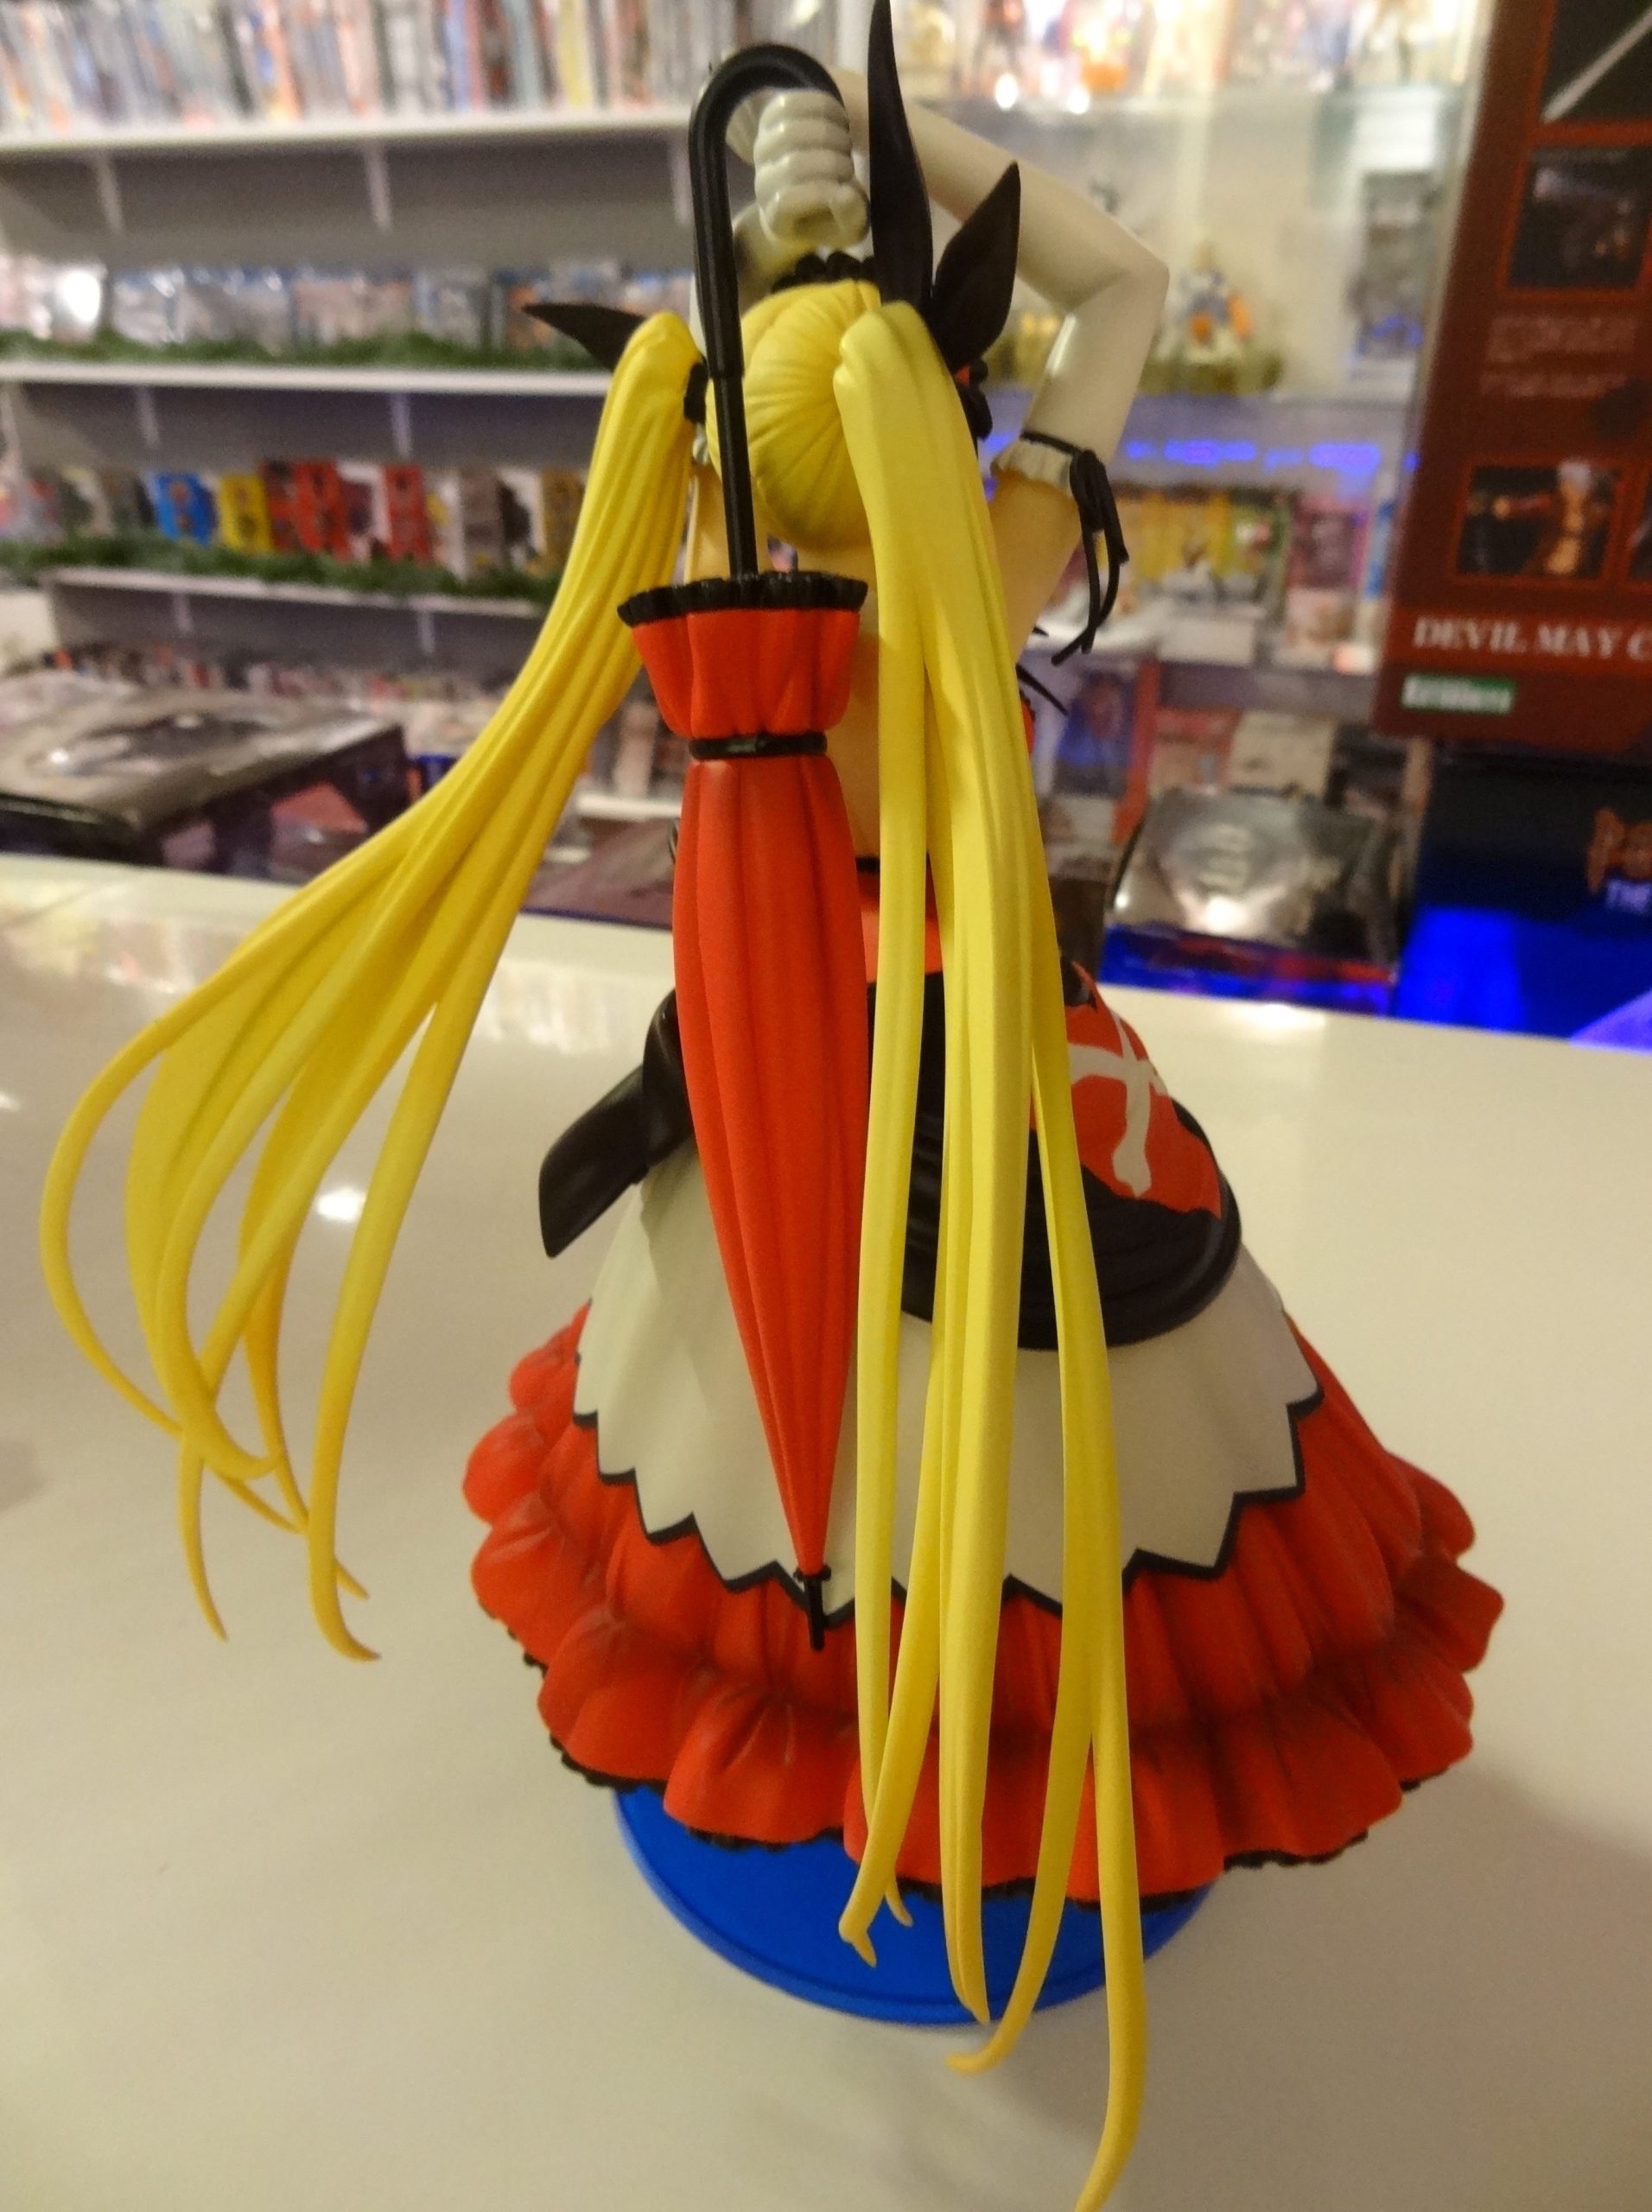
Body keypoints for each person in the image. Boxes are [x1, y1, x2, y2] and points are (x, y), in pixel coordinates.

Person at [42, 19, 1500, 2210]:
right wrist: (895, 147)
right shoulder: (987, 550)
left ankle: (894, 1788)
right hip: (938, 1038)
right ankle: (928, 1796)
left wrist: (789, 200)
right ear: (928, 395)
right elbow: (1114, 289)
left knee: (807, 1453)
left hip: (795, 1046)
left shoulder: (705, 551)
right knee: (1036, 1448)